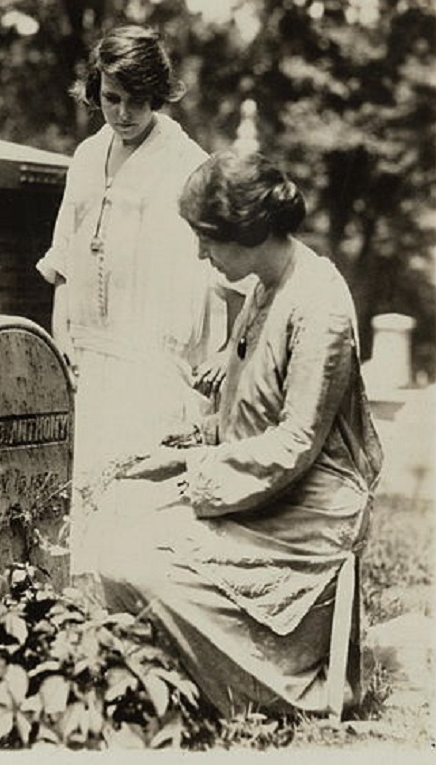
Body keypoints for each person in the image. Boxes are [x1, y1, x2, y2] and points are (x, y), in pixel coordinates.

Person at [94, 150, 384, 716]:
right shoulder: (266, 287)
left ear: (248, 232)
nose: (201, 253)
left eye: (208, 240)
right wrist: (183, 444)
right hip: (261, 489)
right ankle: (163, 680)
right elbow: (248, 414)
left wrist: (189, 474)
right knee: (118, 522)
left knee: (132, 561)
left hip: (307, 514)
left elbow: (295, 444)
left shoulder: (319, 305)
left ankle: (275, 686)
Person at [36, 26, 225, 575]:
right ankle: (82, 607)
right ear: (95, 91)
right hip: (89, 347)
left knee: (134, 484)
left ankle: (132, 607)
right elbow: (67, 252)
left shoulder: (187, 164)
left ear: (159, 96)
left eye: (137, 101)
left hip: (152, 354)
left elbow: (219, 267)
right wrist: (62, 332)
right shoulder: (87, 154)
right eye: (111, 99)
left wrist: (216, 350)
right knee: (83, 482)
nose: (122, 114)